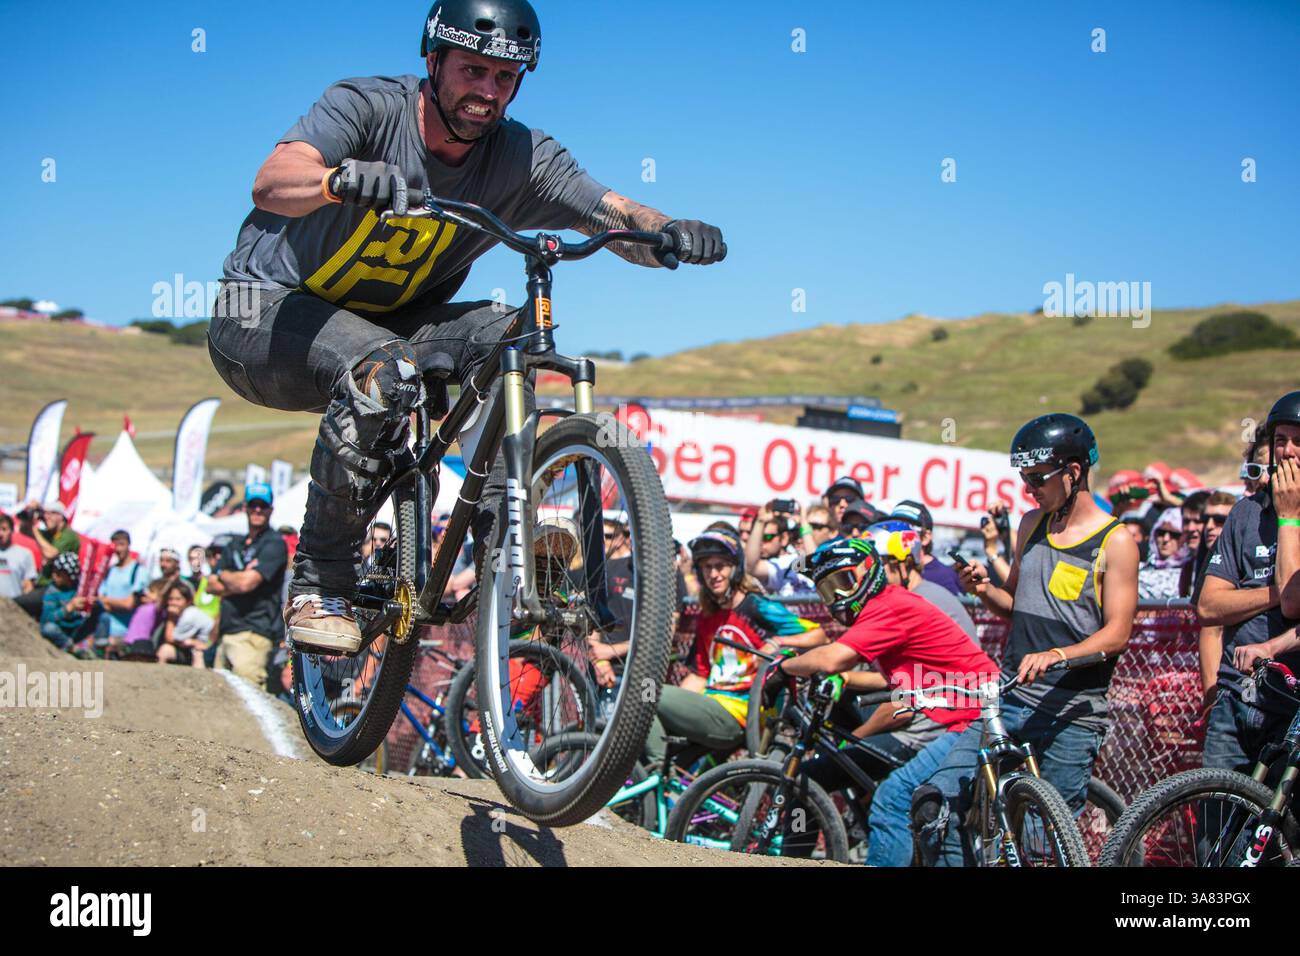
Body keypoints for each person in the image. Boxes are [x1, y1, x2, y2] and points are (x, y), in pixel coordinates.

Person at [209, 0, 726, 655]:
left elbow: (610, 212)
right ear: (433, 61)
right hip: (263, 318)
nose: (487, 90)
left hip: (389, 324)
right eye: (472, 70)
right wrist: (339, 179)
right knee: (382, 363)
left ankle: (499, 542)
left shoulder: (521, 157)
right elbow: (273, 181)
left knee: (510, 336)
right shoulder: (367, 109)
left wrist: (670, 232)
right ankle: (320, 579)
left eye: (505, 78)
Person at [919, 413, 1138, 866]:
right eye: (1024, 478)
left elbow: (1117, 634)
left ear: (1074, 472)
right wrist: (982, 588)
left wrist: (1058, 655)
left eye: (1037, 478)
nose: (1028, 489)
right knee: (937, 802)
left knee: (1042, 846)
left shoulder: (1116, 542)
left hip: (1070, 714)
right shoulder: (1031, 524)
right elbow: (1014, 604)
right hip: (1011, 697)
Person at [763, 536, 999, 867]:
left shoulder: (886, 607)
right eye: (829, 590)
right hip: (960, 714)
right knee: (811, 777)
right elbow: (900, 677)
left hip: (964, 719)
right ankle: (794, 857)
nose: (839, 597)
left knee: (892, 799)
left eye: (844, 582)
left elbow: (834, 658)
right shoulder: (890, 604)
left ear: (869, 570)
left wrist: (781, 668)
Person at [644, 528, 821, 765]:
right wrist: (675, 706)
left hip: (736, 713)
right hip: (709, 706)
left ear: (735, 569)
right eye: (707, 567)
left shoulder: (756, 605)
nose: (714, 574)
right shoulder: (709, 615)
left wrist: (779, 641)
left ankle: (652, 774)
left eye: (721, 566)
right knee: (643, 698)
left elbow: (818, 634)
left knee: (645, 694)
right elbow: (700, 676)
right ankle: (657, 773)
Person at [1197, 392, 1300, 775]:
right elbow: (1209, 606)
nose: (1288, 452)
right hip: (1235, 693)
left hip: (1289, 701)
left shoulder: (1288, 513)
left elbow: (1293, 607)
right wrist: (1275, 594)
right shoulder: (1246, 512)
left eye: (1298, 442)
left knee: (1278, 827)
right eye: (1280, 441)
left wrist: (1290, 516)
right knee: (1215, 830)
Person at [207, 483, 289, 688]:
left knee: (250, 698)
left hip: (254, 634)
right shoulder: (235, 544)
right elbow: (210, 584)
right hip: (227, 632)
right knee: (220, 699)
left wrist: (224, 574)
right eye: (253, 505)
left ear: (271, 509)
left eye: (263, 505)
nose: (258, 510)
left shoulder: (274, 543)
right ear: (245, 508)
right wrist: (235, 578)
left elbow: (245, 584)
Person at [867, 521, 976, 638]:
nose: (870, 572)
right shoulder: (922, 592)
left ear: (902, 563)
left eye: (879, 563)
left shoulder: (922, 600)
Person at [1193, 490, 1239, 723]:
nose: (1209, 526)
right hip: (1220, 687)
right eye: (1205, 520)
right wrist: (1212, 700)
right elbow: (1211, 627)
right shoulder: (1210, 558)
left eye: (1219, 520)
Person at [15, 503, 81, 620]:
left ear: (61, 516)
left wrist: (35, 530)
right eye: (45, 514)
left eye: (51, 514)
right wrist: (29, 517)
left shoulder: (69, 536)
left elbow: (51, 553)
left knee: (17, 603)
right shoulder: (51, 534)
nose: (46, 517)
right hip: (42, 585)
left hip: (57, 588)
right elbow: (24, 530)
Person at [889, 499, 962, 596]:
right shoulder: (888, 567)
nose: (897, 534)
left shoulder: (943, 577)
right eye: (893, 527)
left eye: (907, 528)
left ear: (925, 538)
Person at [743, 501, 814, 596]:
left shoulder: (797, 558)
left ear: (784, 538)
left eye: (768, 537)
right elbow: (751, 566)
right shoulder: (778, 566)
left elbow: (816, 563)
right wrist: (760, 521)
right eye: (759, 538)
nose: (761, 544)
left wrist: (804, 522)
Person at [94, 530, 146, 647]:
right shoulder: (110, 570)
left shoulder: (138, 571)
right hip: (104, 629)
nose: (118, 549)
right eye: (115, 545)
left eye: (121, 544)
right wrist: (113, 602)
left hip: (126, 633)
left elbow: (129, 604)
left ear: (128, 545)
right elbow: (100, 599)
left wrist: (107, 601)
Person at [38, 552, 96, 654]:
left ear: (69, 575)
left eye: (59, 573)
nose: (54, 575)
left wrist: (90, 604)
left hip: (78, 628)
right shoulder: (52, 591)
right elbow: (46, 619)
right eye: (54, 571)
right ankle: (72, 649)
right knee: (48, 628)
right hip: (61, 629)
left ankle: (98, 648)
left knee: (102, 614)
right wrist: (68, 608)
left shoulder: (81, 588)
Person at [154, 580, 214, 668]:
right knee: (165, 650)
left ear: (188, 601)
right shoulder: (180, 614)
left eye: (178, 599)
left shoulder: (189, 615)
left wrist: (171, 618)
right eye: (171, 599)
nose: (173, 603)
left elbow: (170, 638)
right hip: (188, 649)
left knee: (197, 655)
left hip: (206, 650)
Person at [1137, 507, 1188, 600]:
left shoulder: (1190, 570)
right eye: (1161, 532)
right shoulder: (1140, 564)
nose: (1165, 539)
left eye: (1174, 534)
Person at [0, 513, 38, 600]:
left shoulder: (24, 554)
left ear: (12, 531)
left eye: (4, 529)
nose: (0, 534)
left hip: (13, 607)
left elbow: (29, 586)